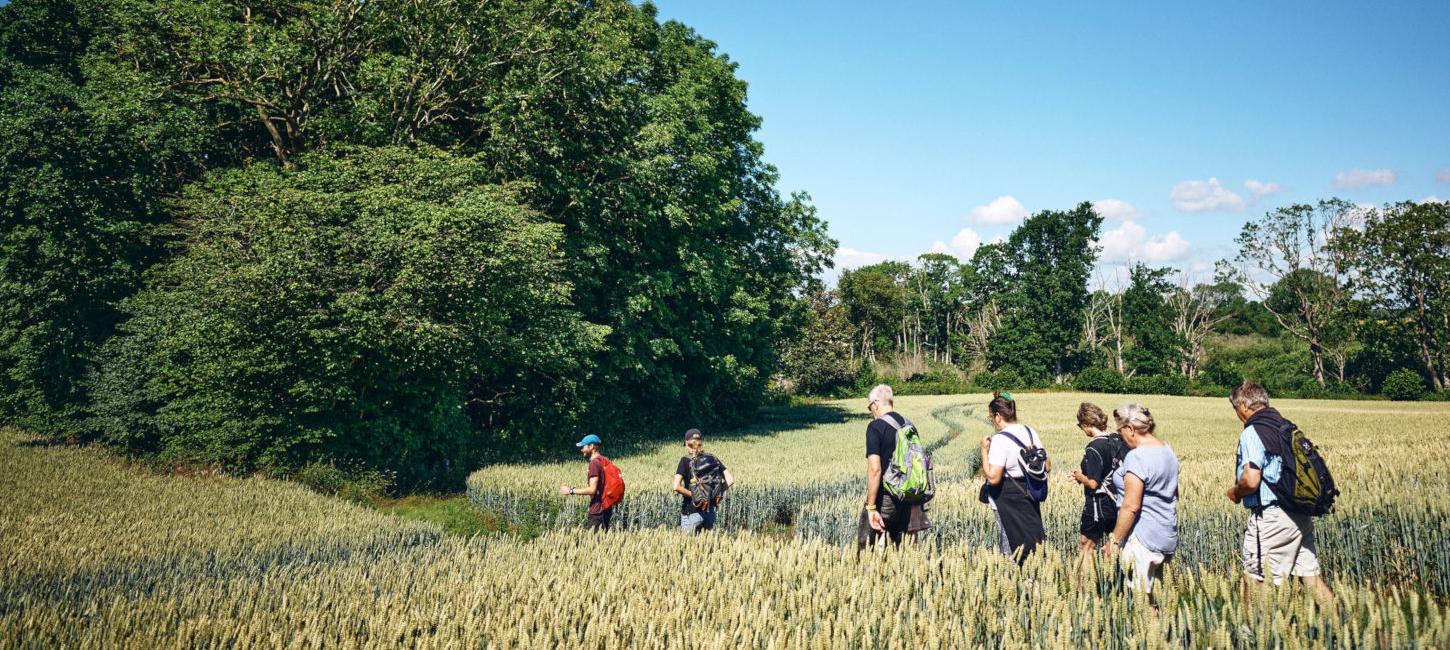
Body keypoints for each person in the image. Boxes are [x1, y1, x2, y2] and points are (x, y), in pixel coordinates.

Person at [1224, 381, 1335, 604]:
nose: (1237, 414)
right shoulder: (1285, 426)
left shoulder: (1253, 432)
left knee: (1255, 579)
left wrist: (1236, 492)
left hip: (1272, 517)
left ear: (1244, 406)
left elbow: (1251, 479)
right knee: (1310, 577)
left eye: (1235, 408)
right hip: (1299, 513)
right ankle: (1342, 630)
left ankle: (1251, 636)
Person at [1103, 403, 1180, 610]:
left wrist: (1115, 541)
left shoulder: (1137, 456)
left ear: (1130, 429)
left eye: (1121, 432)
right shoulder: (1167, 451)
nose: (1121, 438)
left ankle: (1149, 639)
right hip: (1166, 532)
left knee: (1141, 600)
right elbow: (1175, 494)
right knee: (1154, 596)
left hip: (1143, 535)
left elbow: (1131, 506)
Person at [980, 391, 1048, 562]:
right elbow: (1047, 465)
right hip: (1030, 494)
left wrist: (984, 451)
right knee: (1032, 543)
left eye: (991, 418)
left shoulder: (1000, 440)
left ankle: (1015, 583)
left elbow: (993, 478)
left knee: (1011, 546)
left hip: (1008, 499)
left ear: (997, 416)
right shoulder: (1030, 432)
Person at [859, 384, 929, 549]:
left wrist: (871, 507)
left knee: (866, 547)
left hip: (886, 498)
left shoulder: (875, 427)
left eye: (870, 407)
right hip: (908, 497)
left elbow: (875, 470)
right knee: (901, 548)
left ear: (875, 404)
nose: (871, 411)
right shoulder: (909, 426)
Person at [1068, 401, 1126, 575]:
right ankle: (1118, 583)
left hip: (1097, 504)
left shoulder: (1094, 447)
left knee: (1086, 546)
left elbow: (1093, 483)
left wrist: (1079, 477)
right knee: (1114, 544)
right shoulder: (1116, 440)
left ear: (1086, 424)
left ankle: (1085, 591)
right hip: (1117, 502)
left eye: (1081, 426)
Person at [672, 429, 735, 533]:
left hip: (692, 512)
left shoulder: (685, 460)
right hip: (710, 513)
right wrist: (711, 496)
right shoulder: (713, 458)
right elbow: (730, 480)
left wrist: (696, 496)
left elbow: (676, 486)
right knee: (707, 546)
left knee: (688, 546)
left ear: (687, 444)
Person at [560, 434, 614, 531]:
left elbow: (592, 490)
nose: (582, 450)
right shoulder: (604, 460)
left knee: (593, 543)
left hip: (597, 510)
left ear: (591, 446)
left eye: (583, 446)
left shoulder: (594, 463)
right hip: (607, 508)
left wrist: (571, 491)